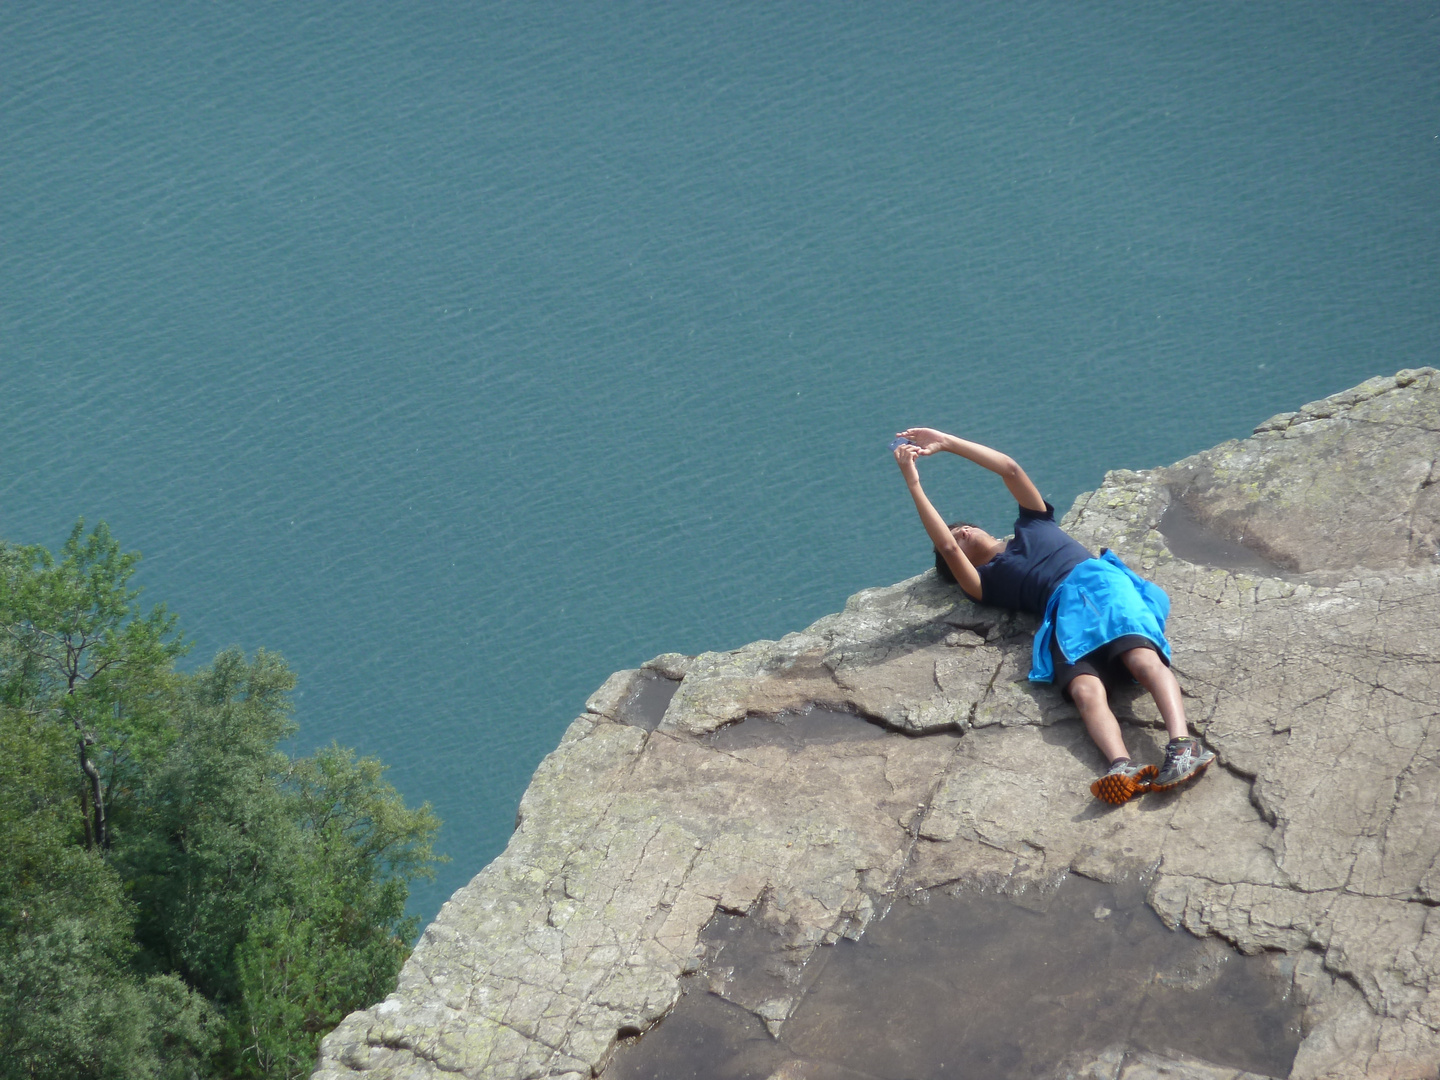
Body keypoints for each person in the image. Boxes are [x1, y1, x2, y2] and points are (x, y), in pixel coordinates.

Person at [893, 427, 1214, 804]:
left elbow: (1010, 470)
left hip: (1100, 586)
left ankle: (1182, 745)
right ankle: (1121, 765)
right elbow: (946, 547)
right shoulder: (984, 582)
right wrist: (913, 483)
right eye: (955, 535)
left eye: (964, 525)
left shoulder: (1034, 523)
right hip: (1063, 617)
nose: (959, 530)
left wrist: (948, 443)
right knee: (1083, 688)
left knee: (1141, 659)